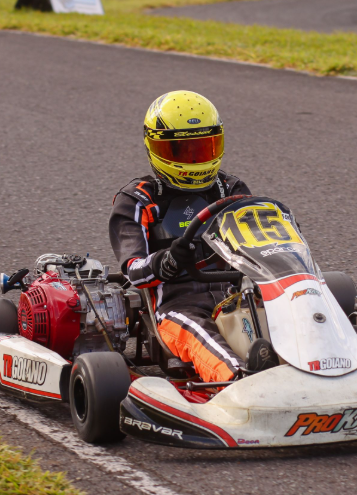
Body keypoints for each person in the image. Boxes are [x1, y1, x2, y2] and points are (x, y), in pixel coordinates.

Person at [110, 91, 266, 384]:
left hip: (237, 294)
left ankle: (327, 359)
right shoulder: (138, 200)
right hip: (178, 306)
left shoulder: (230, 189)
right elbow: (133, 272)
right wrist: (165, 261)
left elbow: (258, 239)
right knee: (201, 333)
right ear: (156, 147)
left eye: (203, 148)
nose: (194, 159)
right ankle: (243, 380)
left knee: (286, 310)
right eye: (182, 150)